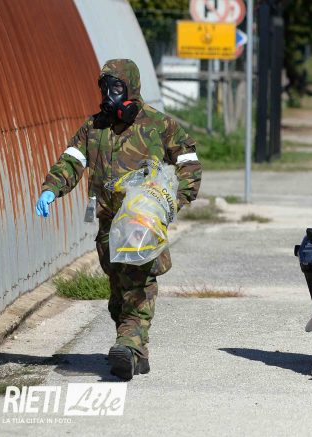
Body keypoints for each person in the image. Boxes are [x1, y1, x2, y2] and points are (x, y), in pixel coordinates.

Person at [35, 59, 202, 380]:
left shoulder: (159, 125)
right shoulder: (94, 127)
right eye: (104, 88)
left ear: (131, 89)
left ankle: (129, 344)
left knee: (138, 285)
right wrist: (51, 188)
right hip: (108, 221)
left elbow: (189, 163)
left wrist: (173, 201)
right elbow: (72, 160)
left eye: (116, 87)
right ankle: (135, 350)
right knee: (117, 290)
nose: (108, 94)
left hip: (142, 222)